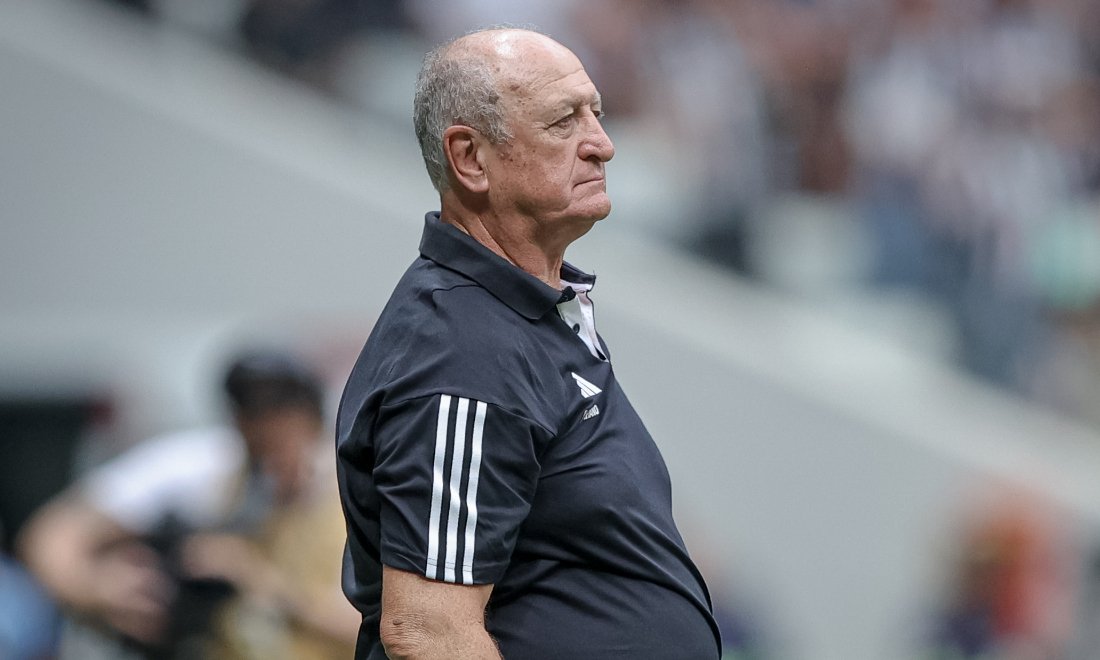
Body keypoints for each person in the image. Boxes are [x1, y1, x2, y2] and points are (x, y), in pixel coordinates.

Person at [335, 27, 721, 659]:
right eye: (564, 122)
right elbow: (429, 630)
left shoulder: (516, 319)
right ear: (470, 158)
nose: (603, 145)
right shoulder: (462, 349)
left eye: (596, 114)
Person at [17, 350, 360, 660]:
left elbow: (369, 624)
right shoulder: (209, 468)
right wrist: (100, 589)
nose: (262, 424)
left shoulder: (353, 490)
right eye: (249, 409)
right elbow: (52, 535)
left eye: (278, 408)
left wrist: (253, 577)